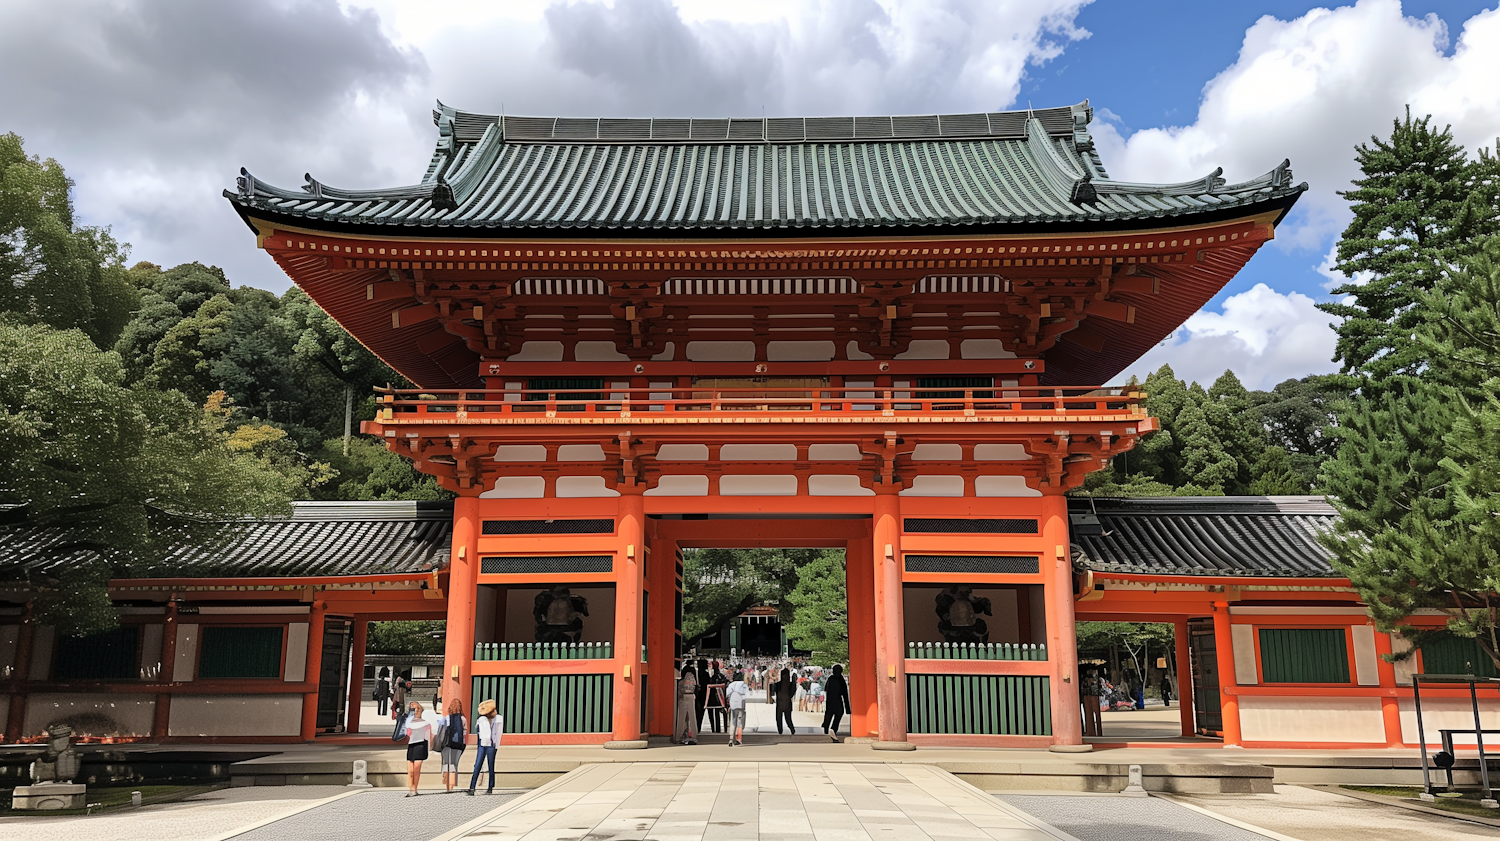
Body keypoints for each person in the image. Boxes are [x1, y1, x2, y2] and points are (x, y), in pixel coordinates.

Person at [466, 698, 500, 795]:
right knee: (482, 765)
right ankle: (476, 787)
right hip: (486, 744)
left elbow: (495, 734)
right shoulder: (483, 720)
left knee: (485, 766)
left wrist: (495, 745)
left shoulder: (495, 719)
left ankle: (484, 787)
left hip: (488, 744)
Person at [402, 700, 432, 796]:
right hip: (411, 745)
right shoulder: (408, 722)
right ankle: (410, 788)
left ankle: (414, 789)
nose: (415, 711)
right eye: (413, 709)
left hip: (421, 745)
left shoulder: (426, 723)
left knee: (416, 769)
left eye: (417, 709)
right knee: (410, 770)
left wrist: (429, 750)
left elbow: (428, 737)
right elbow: (406, 734)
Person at [438, 699, 468, 792]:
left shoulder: (446, 718)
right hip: (458, 743)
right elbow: (465, 731)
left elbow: (441, 730)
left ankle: (446, 786)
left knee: (446, 763)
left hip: (447, 743)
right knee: (454, 764)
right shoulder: (463, 719)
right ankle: (452, 786)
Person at [821, 664, 849, 742]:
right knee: (838, 716)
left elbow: (825, 688)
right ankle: (833, 730)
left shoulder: (830, 679)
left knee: (828, 716)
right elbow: (845, 694)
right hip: (838, 701)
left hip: (830, 701)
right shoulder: (841, 680)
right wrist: (847, 708)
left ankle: (826, 729)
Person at [676, 662, 699, 745]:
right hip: (691, 696)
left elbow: (679, 691)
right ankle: (694, 734)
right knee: (692, 716)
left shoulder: (682, 681)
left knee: (682, 717)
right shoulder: (693, 679)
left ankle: (679, 735)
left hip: (683, 697)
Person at [725, 670, 749, 747]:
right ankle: (739, 739)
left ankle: (731, 738)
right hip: (741, 704)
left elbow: (727, 694)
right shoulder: (744, 685)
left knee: (733, 721)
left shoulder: (731, 685)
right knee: (740, 722)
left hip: (733, 705)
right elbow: (746, 694)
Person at [1080, 668, 1104, 737]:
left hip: (1092, 694)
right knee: (1089, 715)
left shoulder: (1095, 678)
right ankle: (1092, 732)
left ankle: (1095, 732)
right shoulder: (1085, 678)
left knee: (1093, 714)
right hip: (1089, 695)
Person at [705, 661, 727, 734]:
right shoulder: (721, 676)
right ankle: (719, 729)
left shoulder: (714, 677)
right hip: (719, 697)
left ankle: (715, 729)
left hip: (715, 698)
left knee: (715, 713)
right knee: (717, 714)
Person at [773, 668, 795, 735]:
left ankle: (790, 730)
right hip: (783, 703)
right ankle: (784, 730)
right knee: (784, 718)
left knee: (786, 718)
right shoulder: (781, 684)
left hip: (783, 703)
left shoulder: (780, 684)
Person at [694, 658, 710, 732]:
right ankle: (698, 727)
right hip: (704, 695)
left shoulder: (696, 673)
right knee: (701, 712)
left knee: (696, 712)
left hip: (697, 694)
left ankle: (696, 727)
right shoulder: (706, 674)